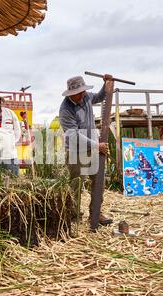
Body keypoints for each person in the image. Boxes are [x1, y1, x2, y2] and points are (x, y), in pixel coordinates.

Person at [59, 74, 113, 226]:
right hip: (76, 152)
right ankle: (74, 215)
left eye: (84, 92)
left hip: (93, 149)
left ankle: (95, 213)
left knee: (98, 181)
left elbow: (101, 96)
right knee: (76, 184)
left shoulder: (86, 97)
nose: (83, 95)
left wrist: (106, 83)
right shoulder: (65, 109)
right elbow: (74, 135)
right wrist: (97, 145)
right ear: (72, 94)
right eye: (80, 93)